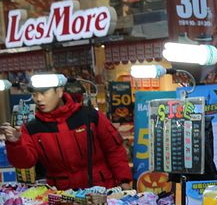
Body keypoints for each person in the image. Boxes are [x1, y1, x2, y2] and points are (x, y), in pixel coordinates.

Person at [0, 75, 132, 190]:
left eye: (44, 93)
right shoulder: (31, 128)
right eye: (34, 94)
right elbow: (25, 163)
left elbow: (114, 150)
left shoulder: (90, 116)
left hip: (102, 192)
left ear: (59, 92)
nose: (38, 99)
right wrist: (16, 143)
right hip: (61, 197)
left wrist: (124, 180)